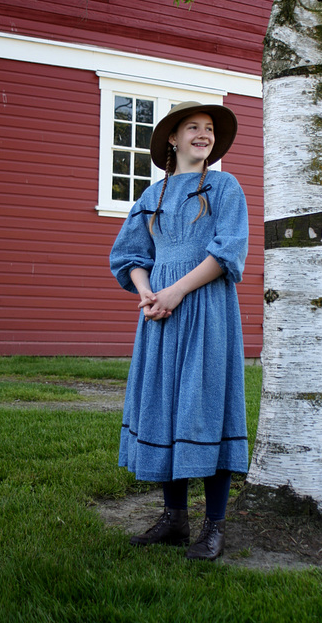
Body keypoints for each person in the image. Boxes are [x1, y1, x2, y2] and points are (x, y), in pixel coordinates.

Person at [109, 101, 249, 561]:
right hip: (159, 317)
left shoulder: (225, 187)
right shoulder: (152, 196)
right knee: (168, 405)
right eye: (193, 127)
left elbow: (227, 252)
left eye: (209, 128)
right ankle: (174, 517)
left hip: (206, 308)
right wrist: (148, 293)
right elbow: (130, 255)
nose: (203, 134)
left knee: (204, 404)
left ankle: (213, 526)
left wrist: (176, 292)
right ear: (173, 138)